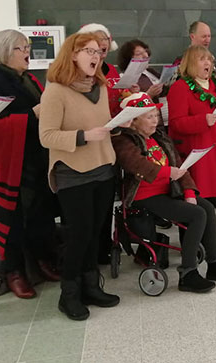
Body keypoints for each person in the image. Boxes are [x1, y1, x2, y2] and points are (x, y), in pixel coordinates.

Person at [112, 93, 216, 292]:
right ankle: (188, 273)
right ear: (134, 121)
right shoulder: (124, 142)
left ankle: (215, 263)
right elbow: (138, 165)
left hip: (167, 191)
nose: (155, 120)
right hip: (144, 196)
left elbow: (180, 166)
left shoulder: (160, 138)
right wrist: (169, 172)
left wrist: (189, 190)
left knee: (205, 205)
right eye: (149, 117)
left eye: (156, 115)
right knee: (196, 214)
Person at [39, 32, 120, 321]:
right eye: (88, 51)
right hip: (73, 174)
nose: (95, 56)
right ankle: (68, 294)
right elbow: (46, 136)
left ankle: (90, 287)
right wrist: (84, 136)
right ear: (72, 54)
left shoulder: (100, 86)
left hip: (103, 168)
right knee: (78, 236)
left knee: (95, 233)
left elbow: (101, 125)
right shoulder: (56, 91)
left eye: (98, 51)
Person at [0, 29, 60, 300]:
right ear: (4, 52)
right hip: (13, 164)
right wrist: (31, 115)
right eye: (20, 48)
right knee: (14, 219)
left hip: (37, 156)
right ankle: (13, 272)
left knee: (40, 213)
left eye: (26, 47)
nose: (27, 52)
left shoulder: (29, 79)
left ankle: (42, 261)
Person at [77, 23, 135, 266]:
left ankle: (107, 243)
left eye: (104, 40)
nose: (101, 45)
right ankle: (90, 255)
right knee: (87, 210)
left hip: (114, 137)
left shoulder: (110, 71)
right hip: (87, 144)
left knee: (108, 198)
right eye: (95, 41)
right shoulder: (78, 76)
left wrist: (129, 96)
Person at [168, 45, 216, 209]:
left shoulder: (215, 86)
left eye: (209, 59)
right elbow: (176, 123)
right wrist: (202, 120)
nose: (207, 63)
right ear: (190, 63)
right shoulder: (180, 87)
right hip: (196, 151)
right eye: (202, 59)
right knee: (197, 200)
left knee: (210, 197)